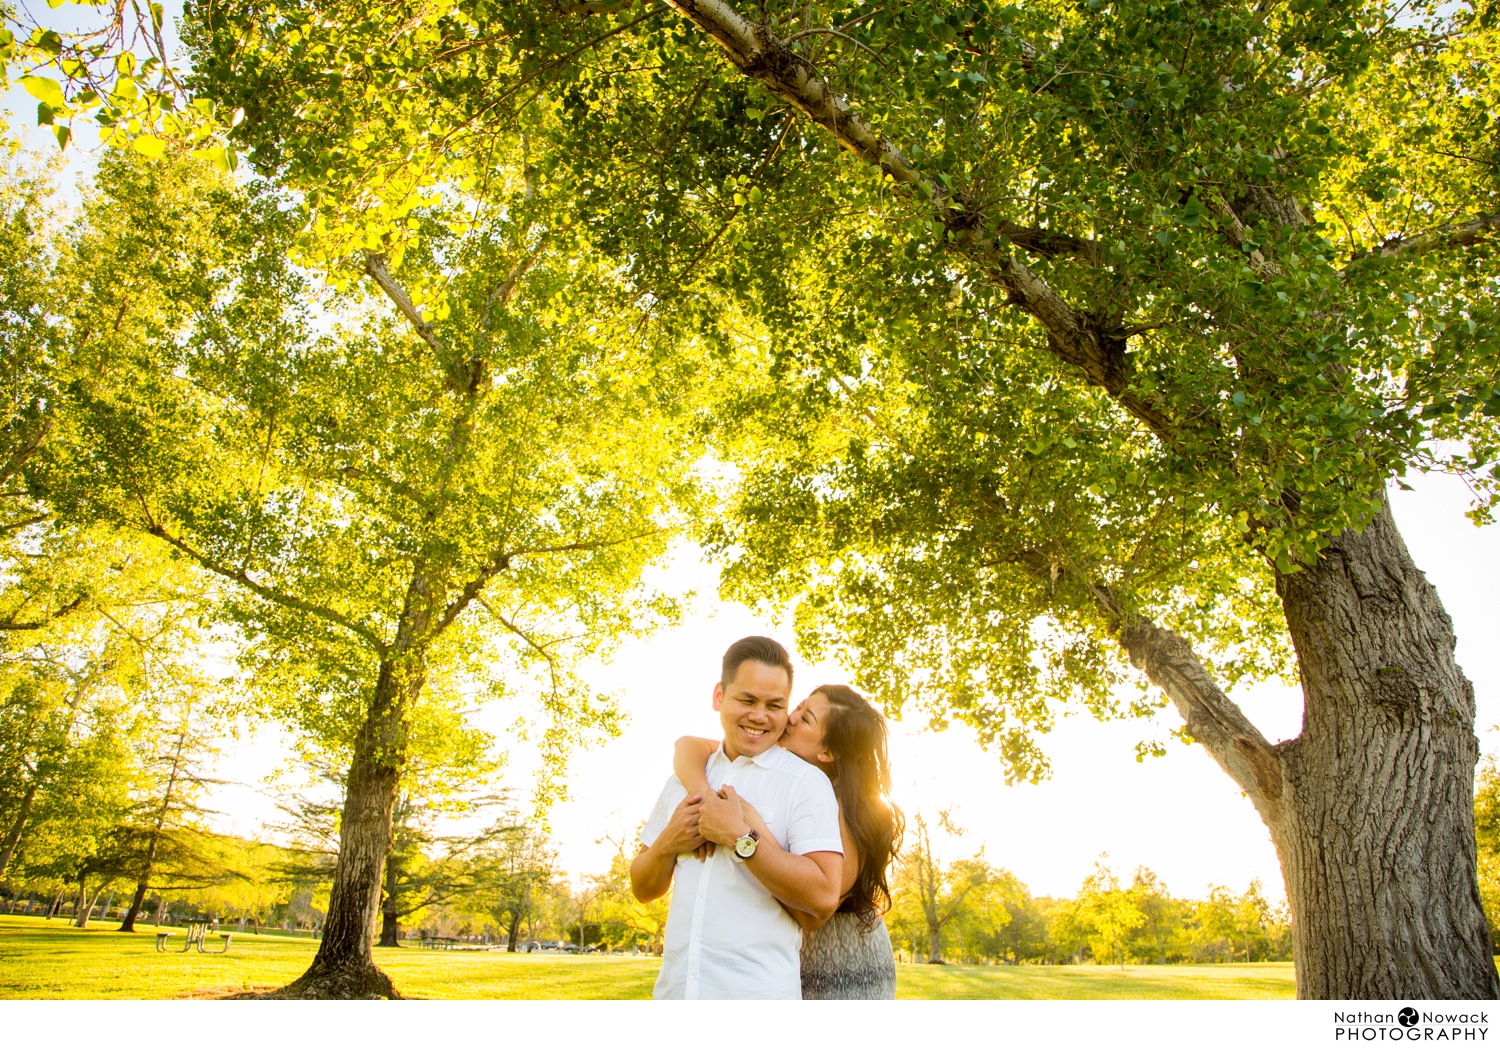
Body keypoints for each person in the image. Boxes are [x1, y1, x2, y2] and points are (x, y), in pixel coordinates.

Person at [629, 636, 845, 1000]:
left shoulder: (805, 783)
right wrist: (669, 842)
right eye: (747, 700)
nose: (759, 715)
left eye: (774, 705)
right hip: (675, 994)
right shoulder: (684, 778)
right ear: (719, 697)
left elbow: (824, 896)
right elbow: (643, 888)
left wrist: (740, 837)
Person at [673, 683, 904, 999]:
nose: (791, 718)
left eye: (806, 718)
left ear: (828, 752)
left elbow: (811, 911)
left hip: (843, 965)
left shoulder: (847, 812)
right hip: (789, 962)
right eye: (799, 707)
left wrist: (747, 829)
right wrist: (706, 797)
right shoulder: (777, 773)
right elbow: (688, 746)